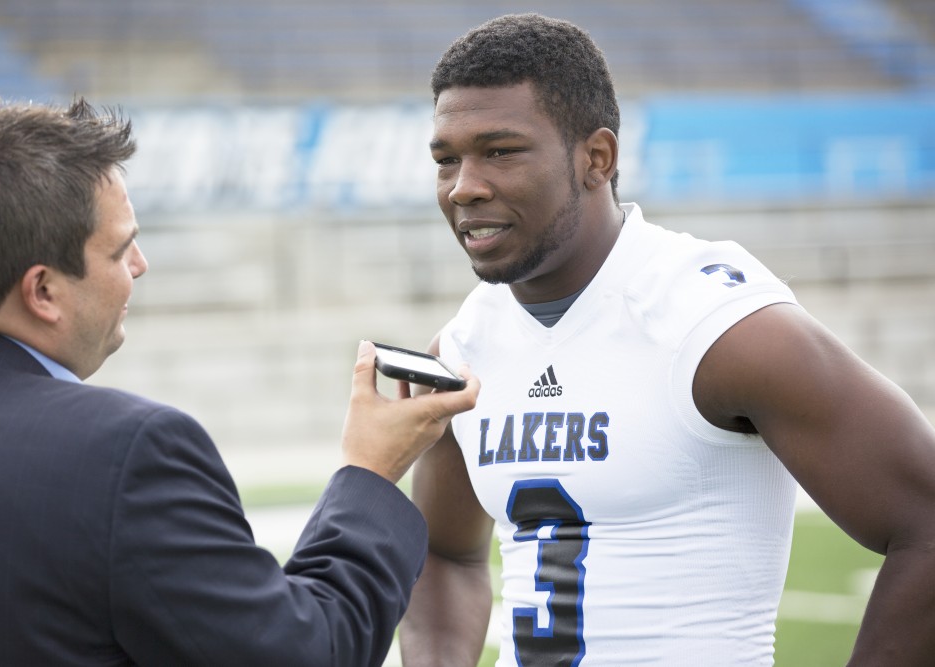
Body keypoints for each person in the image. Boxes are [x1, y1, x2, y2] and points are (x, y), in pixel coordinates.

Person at [398, 13, 935, 666]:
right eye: (445, 159)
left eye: (500, 151)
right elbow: (446, 551)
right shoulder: (462, 346)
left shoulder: (713, 323)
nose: (464, 186)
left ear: (597, 158)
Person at [0, 98, 480, 666]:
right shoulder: (122, 453)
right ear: (42, 291)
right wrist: (369, 473)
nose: (140, 265)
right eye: (120, 250)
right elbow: (305, 655)